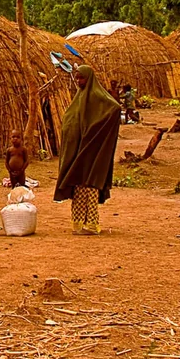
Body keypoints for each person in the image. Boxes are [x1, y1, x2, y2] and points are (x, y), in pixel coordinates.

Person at [55, 65, 121, 235]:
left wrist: (93, 133)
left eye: (81, 78)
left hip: (91, 150)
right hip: (77, 151)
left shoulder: (98, 97)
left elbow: (114, 108)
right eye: (77, 78)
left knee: (91, 185)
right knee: (78, 186)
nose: (78, 82)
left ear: (89, 78)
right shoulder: (78, 99)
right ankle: (77, 223)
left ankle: (91, 224)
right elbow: (71, 122)